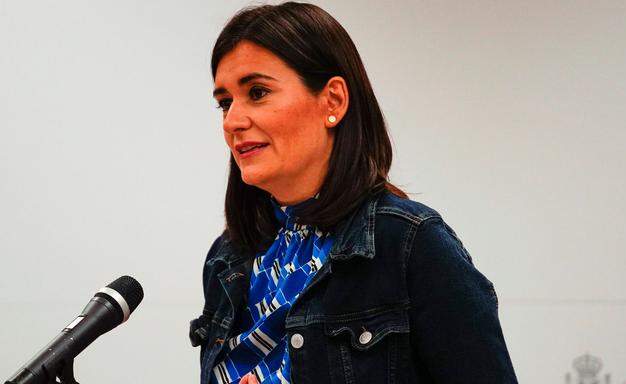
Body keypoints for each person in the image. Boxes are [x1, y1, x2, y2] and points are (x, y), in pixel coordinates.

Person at [189, 2, 519, 383]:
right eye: (224, 103)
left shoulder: (410, 242)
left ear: (333, 100)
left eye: (258, 92)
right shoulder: (227, 258)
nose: (233, 121)